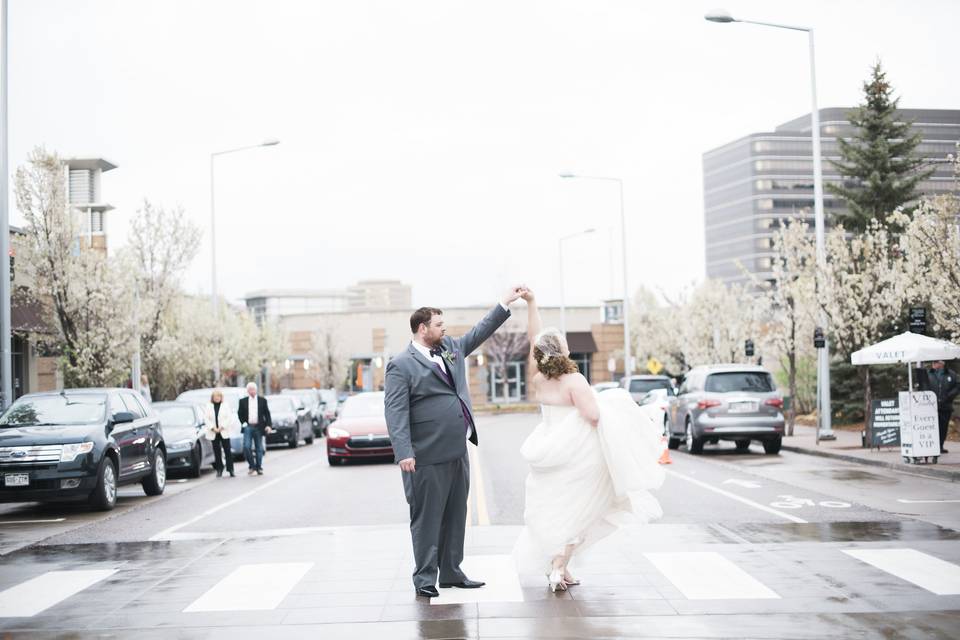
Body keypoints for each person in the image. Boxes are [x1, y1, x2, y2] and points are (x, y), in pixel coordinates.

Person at [513, 287, 664, 592]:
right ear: (561, 350)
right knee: (583, 511)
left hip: (548, 449)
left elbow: (534, 337)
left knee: (559, 510)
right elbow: (593, 416)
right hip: (577, 456)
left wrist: (531, 303)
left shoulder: (539, 379)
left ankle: (561, 568)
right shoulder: (575, 381)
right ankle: (558, 567)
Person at [384, 285, 525, 598]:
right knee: (426, 518)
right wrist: (403, 451)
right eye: (438, 324)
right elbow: (395, 412)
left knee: (455, 514)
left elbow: (479, 331)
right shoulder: (400, 365)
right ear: (422, 329)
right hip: (424, 455)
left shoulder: (450, 348)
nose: (444, 328)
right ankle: (424, 577)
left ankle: (451, 571)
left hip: (457, 450)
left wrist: (503, 302)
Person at [916, 360, 959, 453]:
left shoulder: (951, 374)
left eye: (936, 362)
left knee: (943, 427)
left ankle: (940, 446)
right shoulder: (928, 373)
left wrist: (948, 396)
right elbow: (922, 386)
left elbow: (957, 387)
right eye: (933, 362)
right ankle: (932, 446)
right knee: (932, 427)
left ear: (942, 363)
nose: (933, 363)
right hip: (930, 407)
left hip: (945, 405)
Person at [238, 382, 272, 475]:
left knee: (259, 448)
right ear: (247, 391)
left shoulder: (262, 400)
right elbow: (239, 414)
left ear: (256, 390)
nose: (252, 391)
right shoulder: (242, 401)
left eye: (253, 389)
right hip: (248, 426)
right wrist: (243, 422)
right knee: (246, 447)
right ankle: (252, 466)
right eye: (250, 389)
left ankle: (259, 467)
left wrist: (268, 425)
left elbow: (267, 414)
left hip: (259, 427)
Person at [204, 389, 240, 477]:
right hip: (213, 432)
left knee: (227, 451)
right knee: (217, 452)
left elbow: (229, 417)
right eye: (215, 397)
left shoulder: (225, 405)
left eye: (218, 396)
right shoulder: (208, 406)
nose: (217, 398)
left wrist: (222, 427)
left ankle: (230, 469)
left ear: (221, 397)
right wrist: (213, 428)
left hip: (224, 431)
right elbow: (206, 418)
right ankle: (219, 469)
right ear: (212, 398)